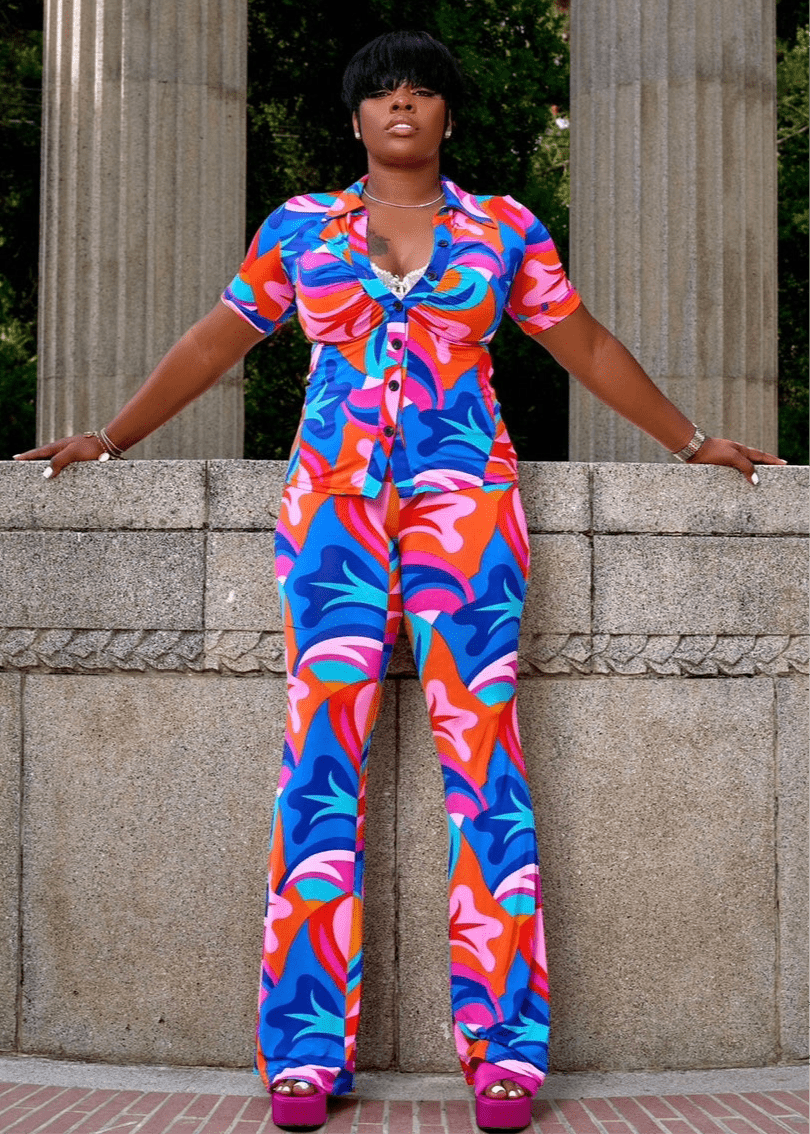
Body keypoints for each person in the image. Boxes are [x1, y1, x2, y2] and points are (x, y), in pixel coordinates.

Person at [15, 29, 785, 1134]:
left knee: (486, 758)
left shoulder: (504, 228)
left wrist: (693, 439)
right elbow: (213, 342)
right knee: (316, 757)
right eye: (382, 93)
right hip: (330, 513)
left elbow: (590, 347)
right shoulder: (301, 229)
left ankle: (507, 1049)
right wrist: (110, 435)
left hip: (468, 511)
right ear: (357, 118)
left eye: (422, 91)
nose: (403, 107)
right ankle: (302, 1051)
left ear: (448, 117)